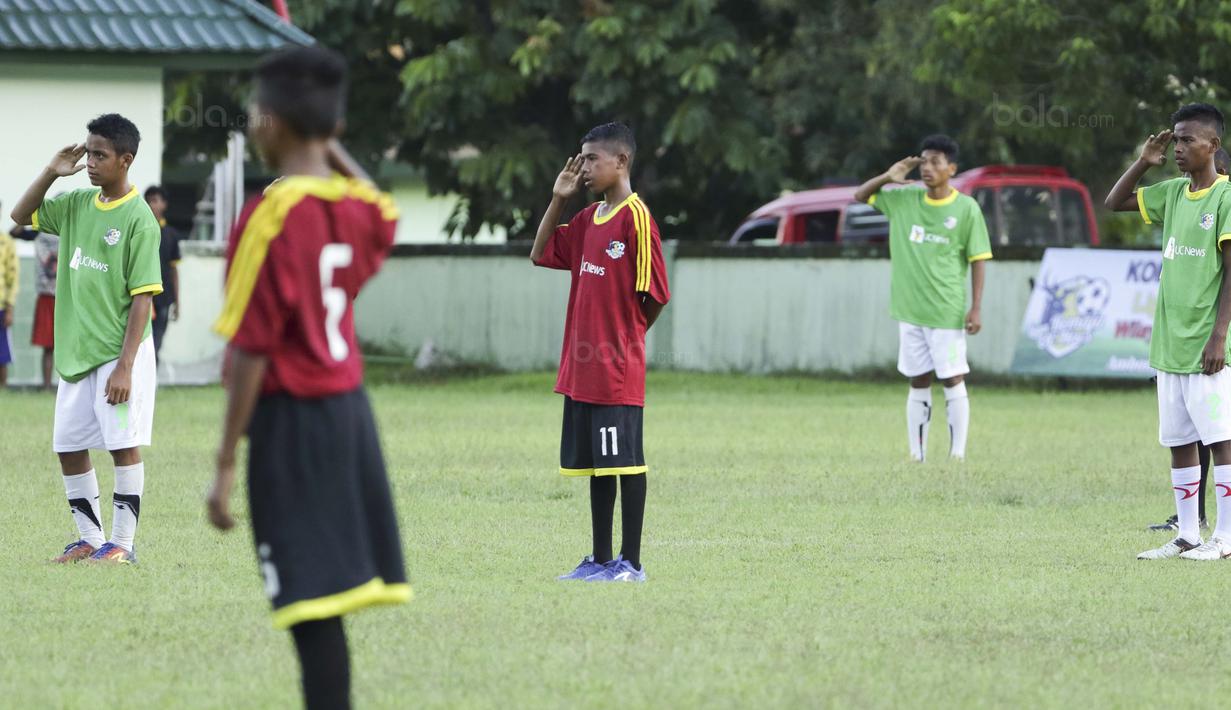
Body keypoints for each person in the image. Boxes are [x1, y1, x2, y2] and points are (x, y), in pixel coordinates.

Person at [206, 46, 408, 710]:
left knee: (306, 604)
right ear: (335, 126)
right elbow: (382, 208)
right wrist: (327, 142)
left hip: (291, 422)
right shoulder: (356, 210)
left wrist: (225, 462)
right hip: (350, 416)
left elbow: (251, 349)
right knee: (323, 602)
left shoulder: (267, 216)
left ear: (269, 122)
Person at [10, 113, 162, 564]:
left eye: (101, 155)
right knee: (69, 447)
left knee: (122, 445)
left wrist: (125, 367)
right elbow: (19, 215)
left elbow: (143, 298)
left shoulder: (139, 219)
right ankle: (90, 540)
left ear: (125, 160)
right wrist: (50, 172)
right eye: (88, 153)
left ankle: (123, 545)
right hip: (77, 354)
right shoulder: (77, 203)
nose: (90, 163)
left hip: (119, 354)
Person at [530, 122, 671, 583]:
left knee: (627, 462)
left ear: (621, 161)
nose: (584, 167)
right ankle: (600, 559)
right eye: (583, 157)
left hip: (616, 369)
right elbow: (540, 253)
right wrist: (558, 199)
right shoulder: (588, 219)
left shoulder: (637, 219)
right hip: (583, 370)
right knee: (599, 467)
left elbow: (656, 295)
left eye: (593, 158)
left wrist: (626, 340)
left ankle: (631, 564)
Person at [1104, 103, 1231, 560]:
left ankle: (1226, 538)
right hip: (1170, 343)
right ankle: (1188, 534)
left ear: (1213, 145)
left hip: (1207, 346)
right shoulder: (1174, 192)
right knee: (1179, 441)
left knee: (1221, 440)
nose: (1178, 147)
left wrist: (1219, 336)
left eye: (1187, 139)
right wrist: (1143, 162)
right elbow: (1114, 202)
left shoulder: (1226, 197)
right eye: (1175, 139)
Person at [853, 135, 992, 462]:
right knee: (918, 379)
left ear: (951, 169)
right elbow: (860, 195)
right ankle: (917, 455)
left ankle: (957, 455)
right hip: (909, 309)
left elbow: (978, 259)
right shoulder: (905, 198)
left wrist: (975, 308)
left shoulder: (966, 209)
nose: (927, 168)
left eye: (936, 162)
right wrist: (888, 177)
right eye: (924, 161)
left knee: (952, 377)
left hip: (946, 310)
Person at [12, 224, 60, 389]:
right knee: (48, 345)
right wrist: (29, 215)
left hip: (66, 296)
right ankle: (47, 385)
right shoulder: (39, 232)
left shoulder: (69, 230)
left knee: (66, 345)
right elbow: (14, 233)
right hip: (46, 294)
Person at [142, 186, 181, 359]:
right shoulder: (140, 230)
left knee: (156, 344)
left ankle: (153, 374)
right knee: (141, 342)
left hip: (164, 297)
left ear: (164, 204)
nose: (152, 205)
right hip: (141, 295)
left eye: (156, 200)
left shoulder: (171, 235)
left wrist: (177, 302)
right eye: (149, 201)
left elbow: (174, 270)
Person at [0, 222, 16, 386]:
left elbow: (12, 277)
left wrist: (10, 307)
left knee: (2, 351)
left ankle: (3, 388)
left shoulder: (5, 241)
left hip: (1, 306)